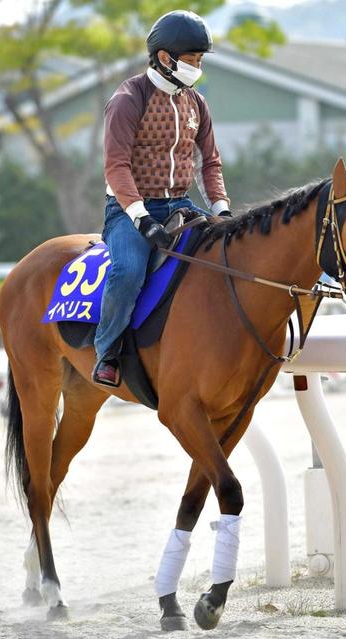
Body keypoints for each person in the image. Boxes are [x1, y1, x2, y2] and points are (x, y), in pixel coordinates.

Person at [92, 10, 231, 387]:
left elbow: (209, 162)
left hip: (180, 205)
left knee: (229, 254)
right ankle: (106, 351)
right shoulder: (127, 99)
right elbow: (116, 167)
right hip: (128, 210)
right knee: (128, 272)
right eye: (192, 60)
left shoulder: (197, 104)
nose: (198, 67)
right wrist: (140, 218)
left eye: (201, 60)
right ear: (166, 58)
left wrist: (222, 209)